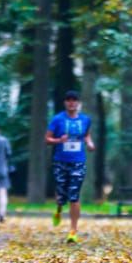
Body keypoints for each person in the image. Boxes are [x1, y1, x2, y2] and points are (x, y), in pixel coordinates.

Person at [45, 90, 95, 243]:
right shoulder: (57, 119)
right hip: (60, 161)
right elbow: (47, 139)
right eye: (68, 100)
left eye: (74, 100)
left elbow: (86, 134)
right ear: (65, 103)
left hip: (78, 161)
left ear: (78, 103)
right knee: (61, 195)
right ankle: (59, 208)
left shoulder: (85, 119)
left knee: (74, 195)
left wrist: (89, 142)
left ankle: (73, 230)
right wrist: (59, 140)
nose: (71, 103)